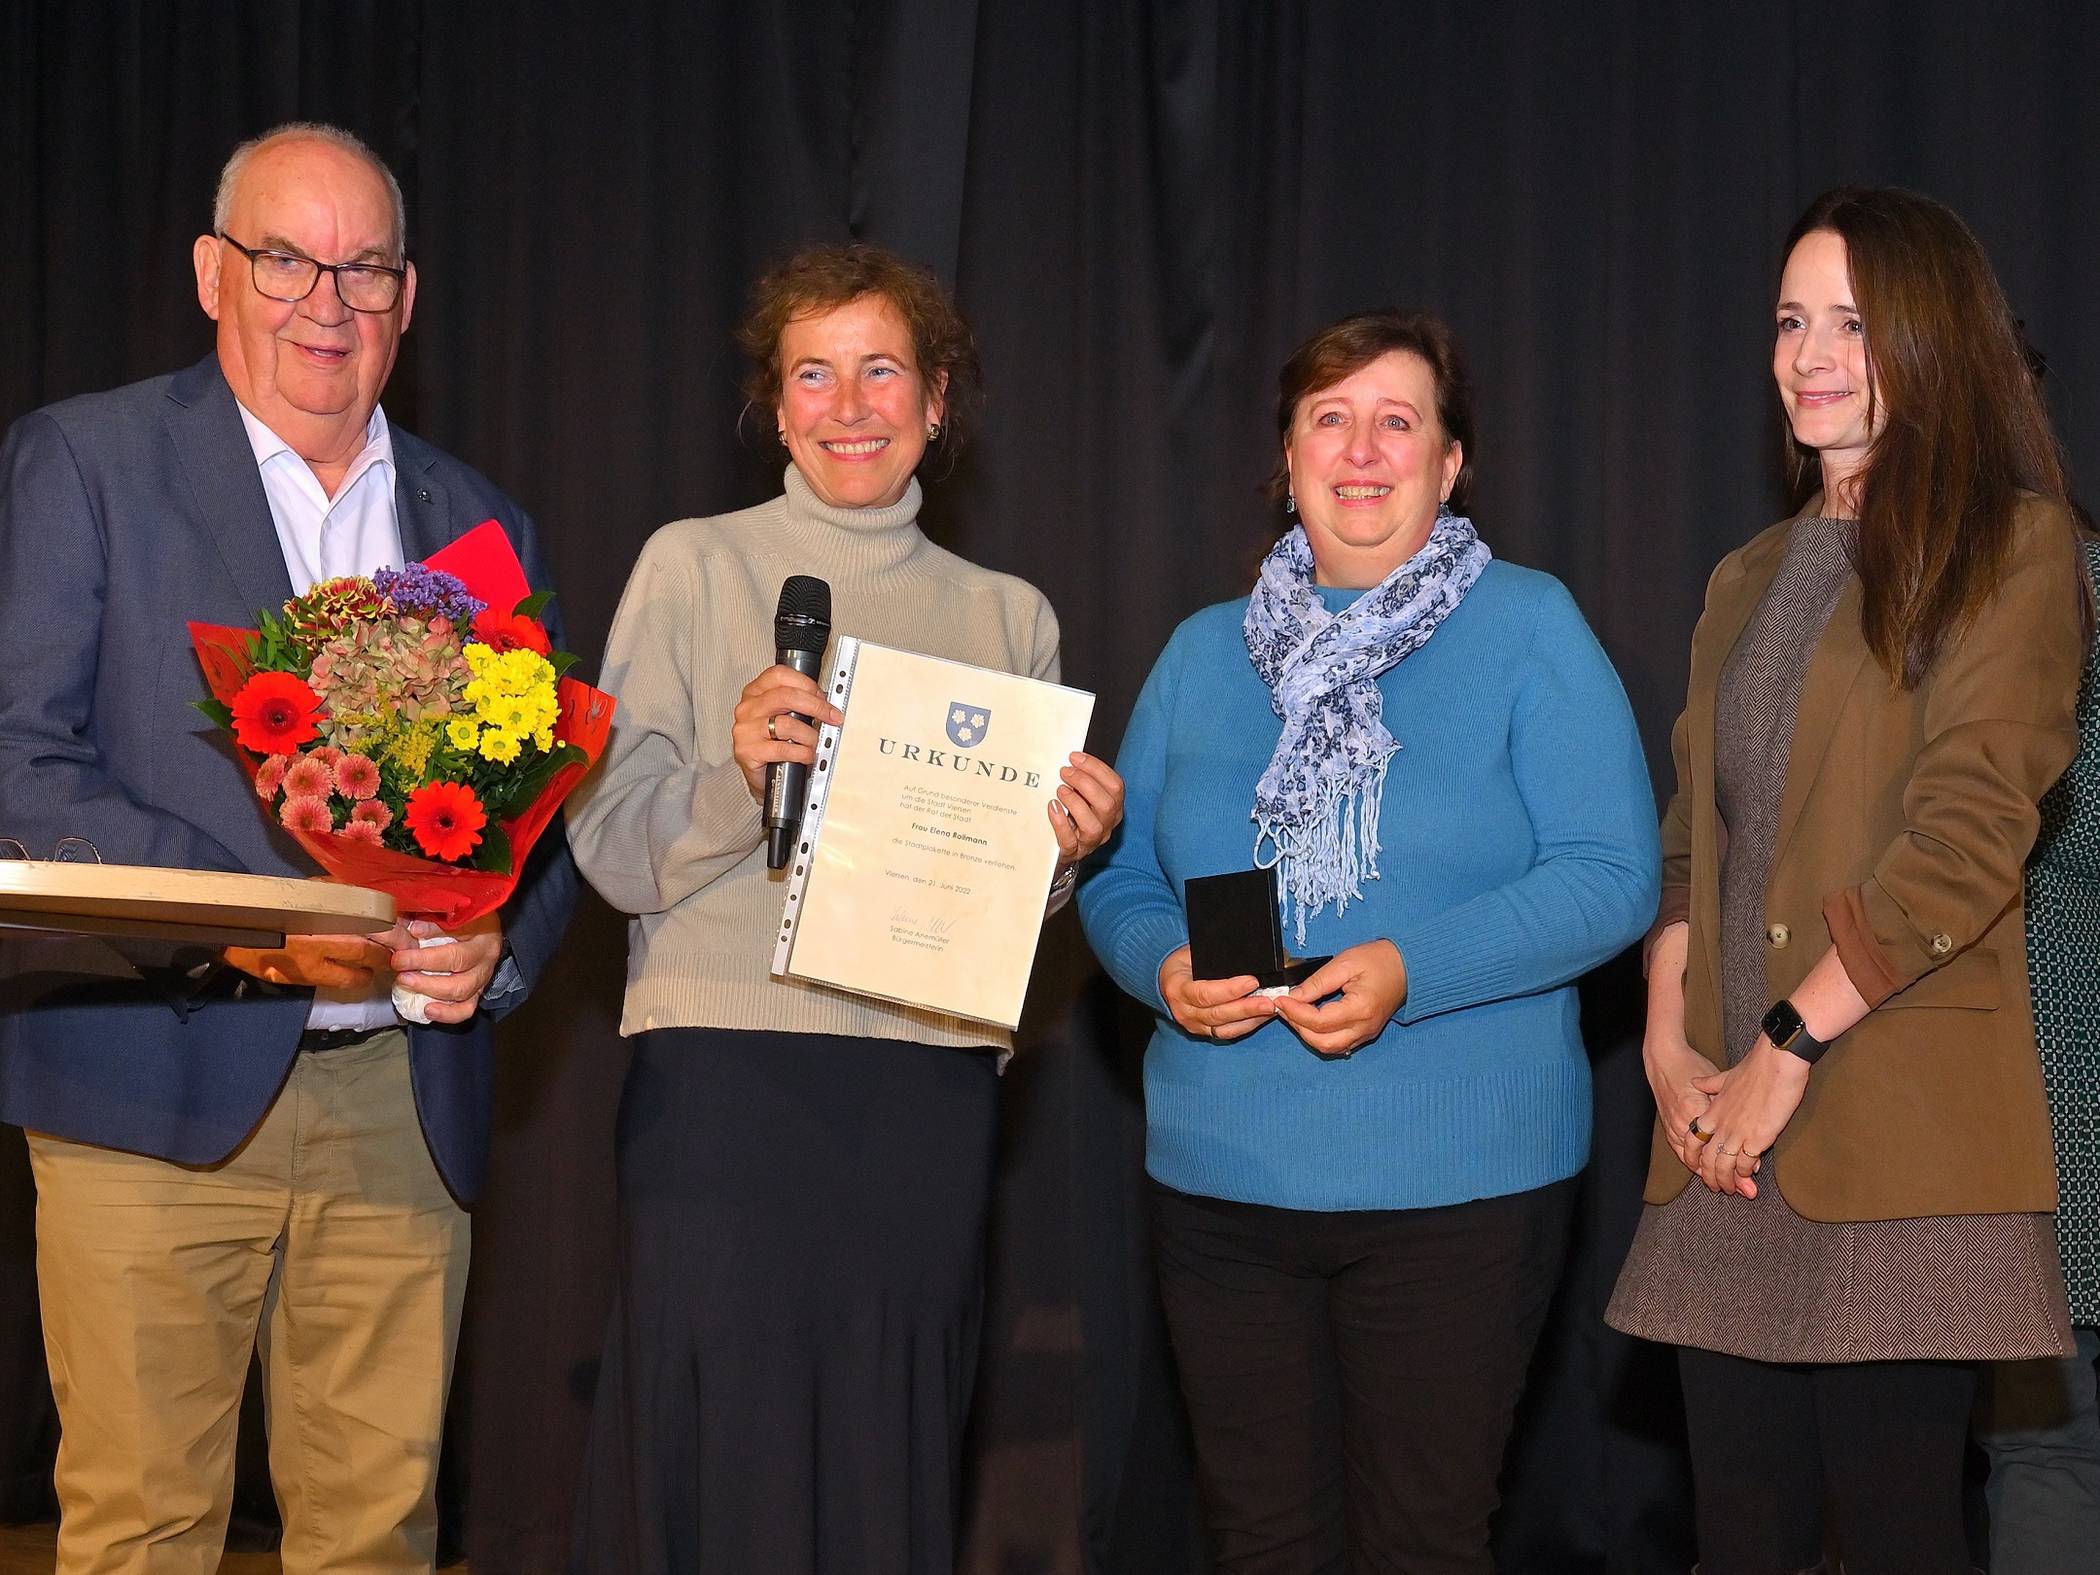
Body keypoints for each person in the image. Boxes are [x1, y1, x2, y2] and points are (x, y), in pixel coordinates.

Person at [0, 123, 577, 1572]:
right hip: (151, 1076)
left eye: (364, 266)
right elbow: (18, 755)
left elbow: (545, 824)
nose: (327, 299)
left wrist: (498, 944)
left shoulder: (479, 522)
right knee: (144, 1529)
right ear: (213, 273)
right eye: (285, 258)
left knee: (378, 1537)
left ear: (408, 294)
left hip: (401, 1094)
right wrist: (270, 908)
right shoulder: (88, 462)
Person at [564, 242, 1124, 1574]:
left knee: (888, 1445)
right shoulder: (689, 566)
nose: (850, 403)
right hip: (723, 1080)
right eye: (814, 372)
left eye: (882, 369)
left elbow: (1006, 905)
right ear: (775, 402)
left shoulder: (1009, 616)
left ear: (939, 398)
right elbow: (607, 846)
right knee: (714, 1451)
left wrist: (1064, 853)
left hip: (920, 1091)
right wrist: (732, 774)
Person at [1077, 309, 1660, 1574]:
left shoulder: (1530, 629)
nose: (1361, 448)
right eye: (1328, 419)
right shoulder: (1195, 655)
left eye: (1398, 420)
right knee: (1263, 1543)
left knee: (1422, 1545)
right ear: (1286, 462)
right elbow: (1115, 880)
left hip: (1462, 1192)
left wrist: (1414, 972)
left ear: (1450, 464)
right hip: (1220, 1187)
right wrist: (1159, 968)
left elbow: (1615, 878)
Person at [1607, 186, 2087, 1575]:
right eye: (1791, 320)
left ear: (1931, 339)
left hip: (1898, 1132)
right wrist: (1667, 1042)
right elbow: (1691, 840)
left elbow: (1966, 842)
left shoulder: (2018, 543)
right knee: (1739, 1537)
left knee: (1895, 1537)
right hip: (1723, 1141)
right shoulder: (1746, 572)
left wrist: (1786, 1045)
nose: (1810, 352)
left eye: (1854, 324)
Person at [1974, 512, 2100, 1574]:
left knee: (2046, 1449)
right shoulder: (1828, 577)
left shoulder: (2068, 583)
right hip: (1984, 1099)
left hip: (2053, 1089)